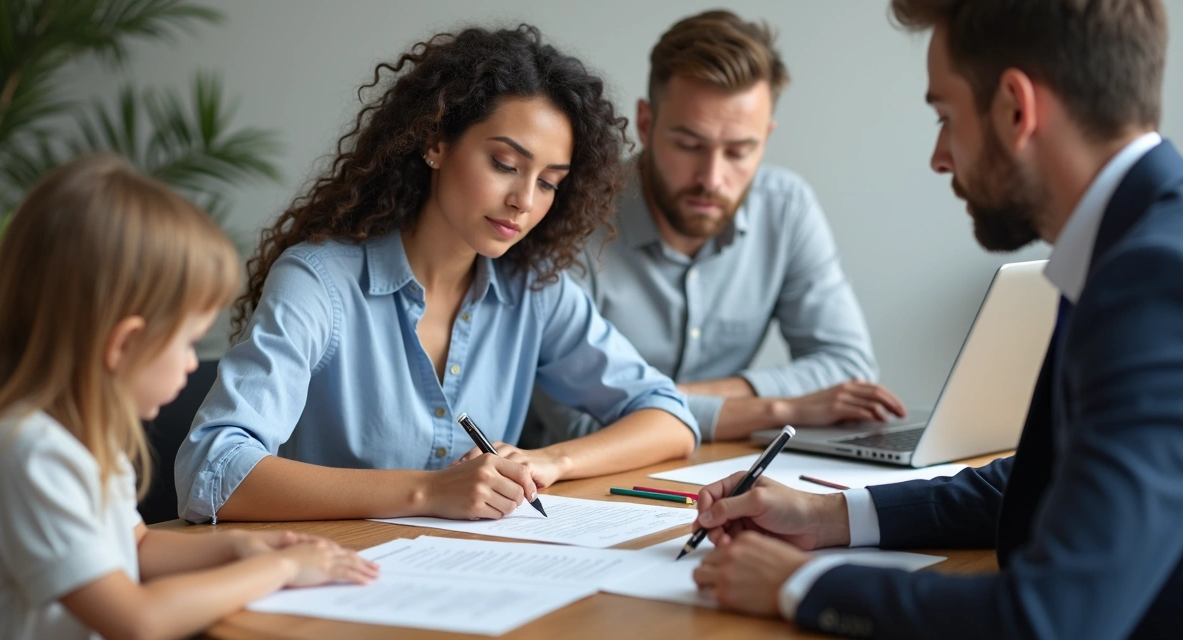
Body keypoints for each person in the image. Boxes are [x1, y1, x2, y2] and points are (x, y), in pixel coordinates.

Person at [690, 1, 1183, 637]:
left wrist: (801, 584)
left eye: (945, 117)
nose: (939, 156)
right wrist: (828, 516)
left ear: (1015, 109)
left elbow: (1051, 621)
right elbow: (1049, 479)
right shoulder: (1137, 246)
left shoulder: (1154, 282)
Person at [174, 25, 698, 525]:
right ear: (436, 143)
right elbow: (210, 471)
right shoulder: (319, 283)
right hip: (329, 578)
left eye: (548, 182)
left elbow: (670, 418)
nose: (523, 201)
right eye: (504, 163)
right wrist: (428, 492)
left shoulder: (534, 290)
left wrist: (550, 463)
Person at [0, 155, 378, 640]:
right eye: (187, 343)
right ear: (123, 344)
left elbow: (135, 545)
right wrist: (281, 570)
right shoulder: (31, 456)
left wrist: (241, 549)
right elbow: (138, 619)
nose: (191, 363)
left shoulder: (77, 438)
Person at [527, 10, 905, 447]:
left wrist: (651, 402)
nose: (712, 177)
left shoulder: (785, 207)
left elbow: (849, 369)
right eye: (689, 145)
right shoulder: (570, 218)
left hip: (719, 468)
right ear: (646, 125)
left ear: (766, 136)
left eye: (740, 151)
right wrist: (781, 409)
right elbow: (580, 422)